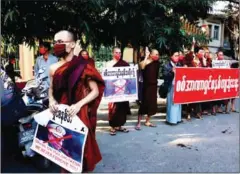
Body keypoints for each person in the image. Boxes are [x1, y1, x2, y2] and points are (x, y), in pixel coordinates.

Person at [48, 30, 105, 172]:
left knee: (81, 151)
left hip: (79, 113)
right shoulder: (53, 68)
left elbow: (95, 91)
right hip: (61, 114)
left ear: (72, 44)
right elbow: (51, 89)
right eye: (55, 42)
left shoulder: (83, 66)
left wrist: (79, 105)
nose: (57, 45)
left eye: (61, 42)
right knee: (63, 149)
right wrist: (51, 101)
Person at [106, 47, 131, 136]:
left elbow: (129, 76)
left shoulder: (124, 64)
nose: (118, 54)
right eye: (116, 52)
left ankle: (120, 126)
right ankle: (112, 127)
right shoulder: (109, 64)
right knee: (113, 108)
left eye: (120, 53)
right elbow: (106, 78)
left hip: (123, 89)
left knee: (122, 108)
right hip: (113, 90)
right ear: (113, 53)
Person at [135, 47, 160, 130]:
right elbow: (142, 66)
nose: (157, 56)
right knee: (144, 104)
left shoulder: (157, 63)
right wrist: (146, 56)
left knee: (152, 104)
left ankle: (147, 121)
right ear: (151, 54)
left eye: (158, 54)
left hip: (153, 85)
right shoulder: (146, 61)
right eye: (156, 54)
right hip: (146, 86)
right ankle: (138, 122)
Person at [163, 51, 182, 125]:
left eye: (178, 56)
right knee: (172, 103)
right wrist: (171, 71)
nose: (177, 57)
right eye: (175, 55)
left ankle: (178, 119)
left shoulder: (179, 64)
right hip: (171, 86)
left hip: (178, 86)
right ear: (171, 57)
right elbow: (164, 76)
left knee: (178, 102)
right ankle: (170, 120)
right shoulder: (167, 65)